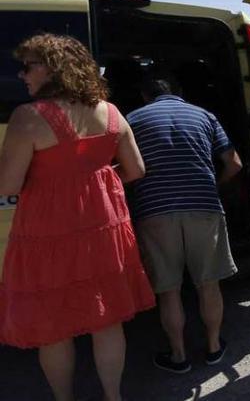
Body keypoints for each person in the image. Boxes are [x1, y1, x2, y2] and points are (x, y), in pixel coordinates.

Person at [0, 34, 155, 401]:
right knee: (107, 319)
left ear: (53, 68)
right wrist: (95, 178)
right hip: (102, 228)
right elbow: (136, 171)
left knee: (53, 325)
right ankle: (113, 397)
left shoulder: (28, 117)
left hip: (48, 233)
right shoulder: (112, 113)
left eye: (28, 66)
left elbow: (7, 184)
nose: (22, 76)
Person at [127, 74, 242, 374]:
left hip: (154, 211)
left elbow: (126, 168)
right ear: (179, 93)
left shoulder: (133, 119)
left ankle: (179, 356)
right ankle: (214, 347)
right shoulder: (205, 115)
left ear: (144, 96)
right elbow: (234, 164)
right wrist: (213, 186)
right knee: (208, 284)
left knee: (169, 290)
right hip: (203, 207)